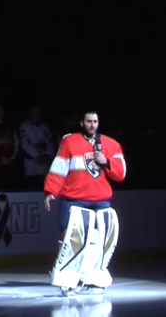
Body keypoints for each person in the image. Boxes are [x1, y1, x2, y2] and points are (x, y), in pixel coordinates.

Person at [43, 111, 126, 292]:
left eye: (95, 121)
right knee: (71, 237)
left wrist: (106, 161)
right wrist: (51, 191)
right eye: (89, 121)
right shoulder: (70, 142)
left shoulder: (111, 145)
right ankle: (66, 277)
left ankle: (92, 276)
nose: (92, 125)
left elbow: (121, 173)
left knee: (100, 239)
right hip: (73, 198)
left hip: (101, 200)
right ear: (82, 123)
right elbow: (59, 168)